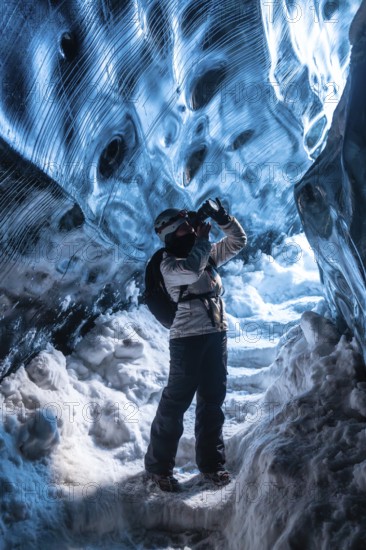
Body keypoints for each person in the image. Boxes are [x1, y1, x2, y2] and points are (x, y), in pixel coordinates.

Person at [144, 198, 247, 492]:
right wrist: (202, 240)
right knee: (175, 404)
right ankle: (158, 468)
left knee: (212, 401)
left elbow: (238, 240)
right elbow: (191, 271)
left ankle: (212, 465)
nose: (189, 230)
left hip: (216, 335)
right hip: (186, 341)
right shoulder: (168, 264)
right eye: (182, 229)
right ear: (168, 236)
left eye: (189, 226)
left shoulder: (207, 255)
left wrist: (223, 217)